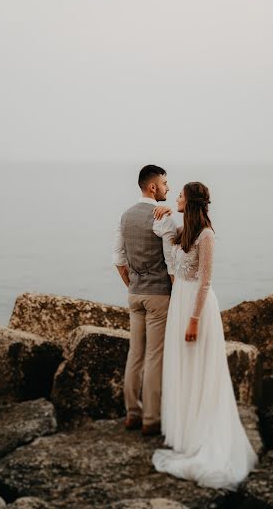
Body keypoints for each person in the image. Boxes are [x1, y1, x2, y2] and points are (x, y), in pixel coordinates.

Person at [151, 182, 258, 489]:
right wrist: (167, 215)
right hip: (179, 302)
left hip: (197, 307)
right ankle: (185, 431)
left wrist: (194, 320)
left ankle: (204, 433)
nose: (176, 198)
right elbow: (173, 262)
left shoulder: (206, 235)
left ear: (193, 201)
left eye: (180, 196)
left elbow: (206, 281)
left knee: (200, 367)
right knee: (182, 365)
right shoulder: (185, 231)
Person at [113, 165, 177, 436]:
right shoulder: (161, 217)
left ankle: (132, 413)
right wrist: (177, 295)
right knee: (154, 356)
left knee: (135, 354)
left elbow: (118, 259)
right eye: (164, 183)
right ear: (153, 187)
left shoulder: (125, 216)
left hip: (135, 294)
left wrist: (132, 285)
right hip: (158, 295)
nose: (168, 188)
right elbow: (171, 263)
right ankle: (151, 418)